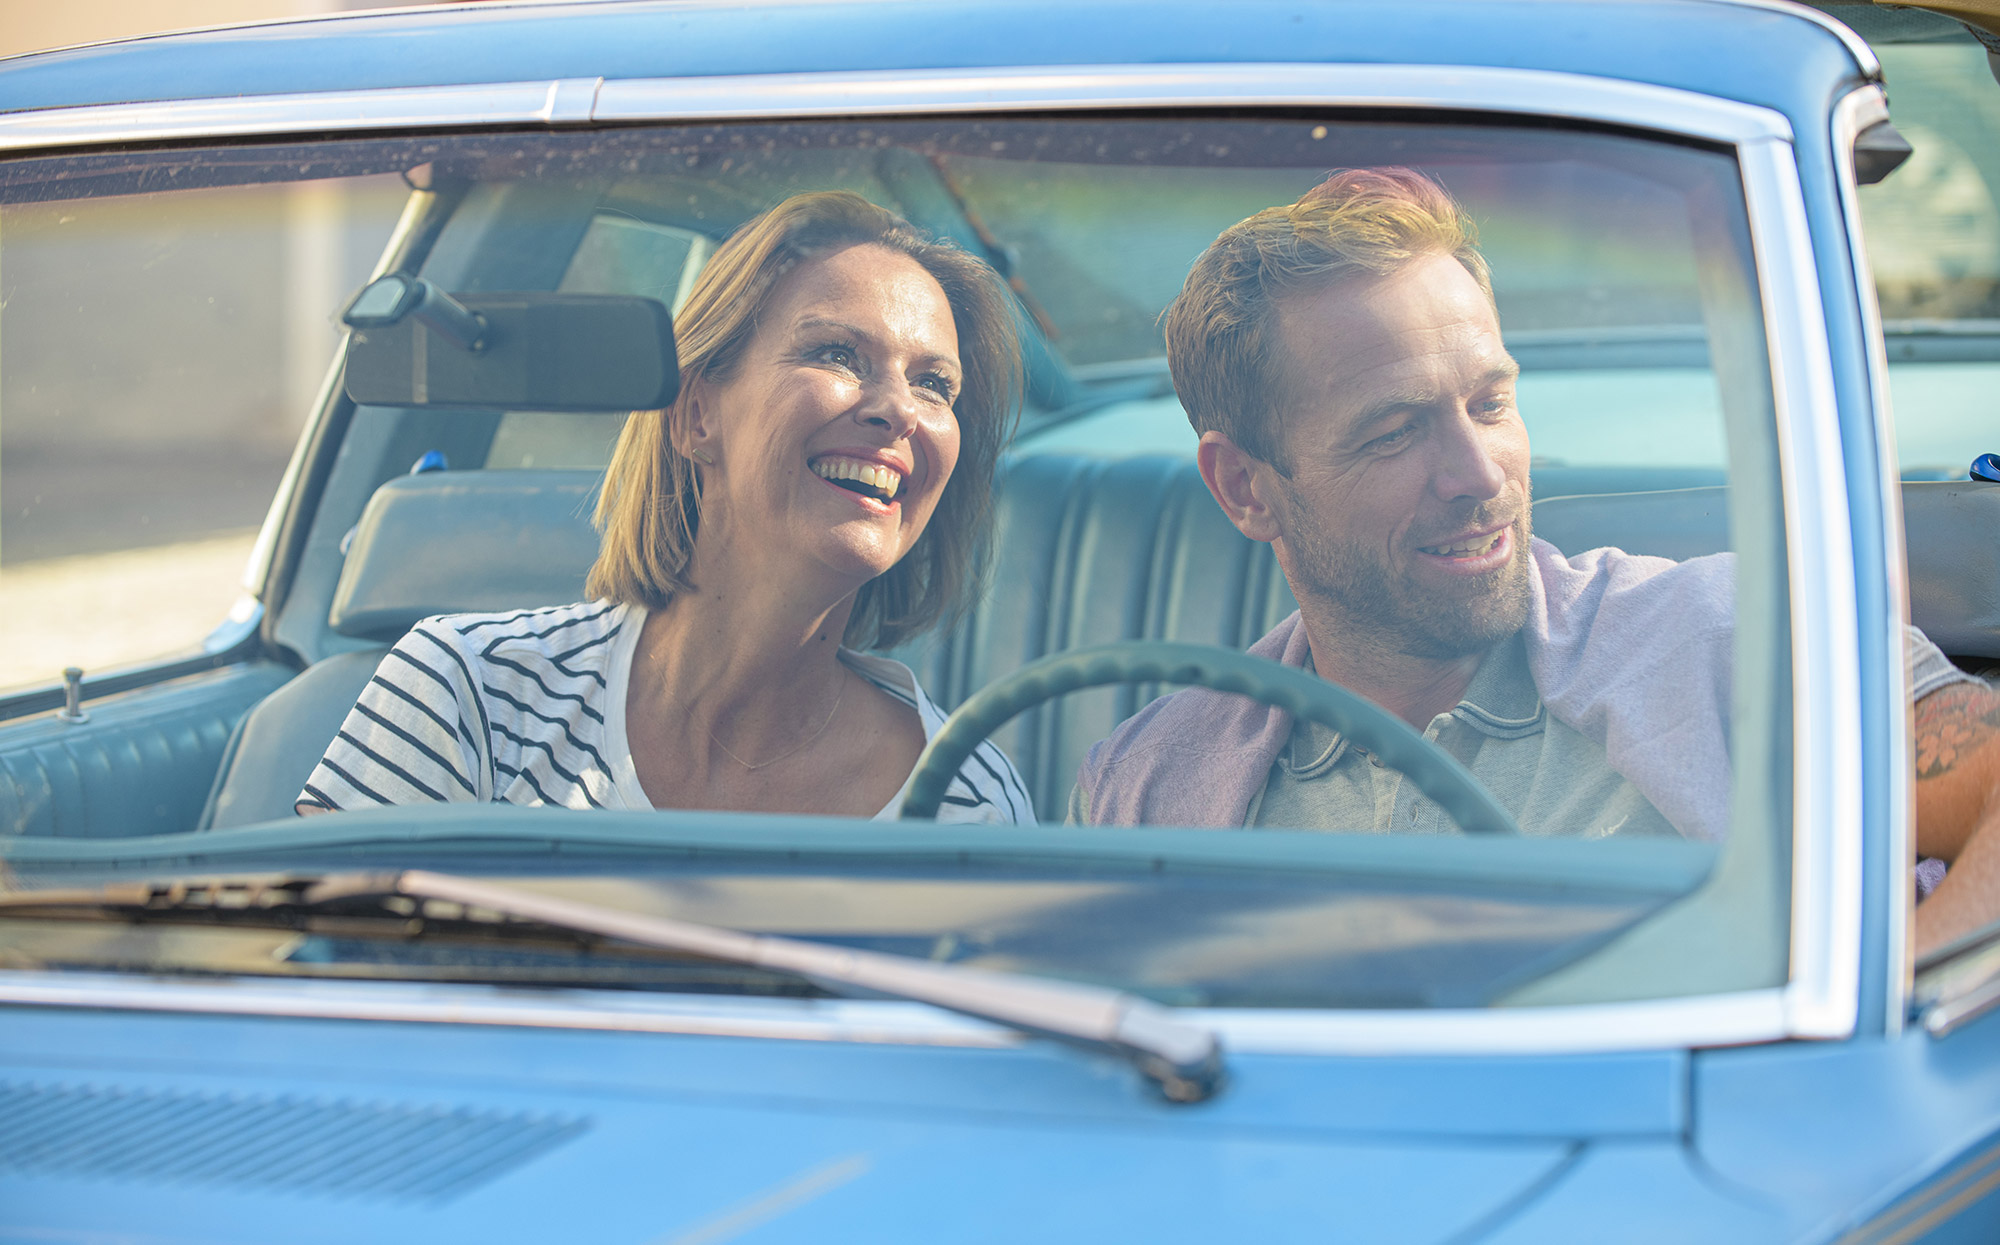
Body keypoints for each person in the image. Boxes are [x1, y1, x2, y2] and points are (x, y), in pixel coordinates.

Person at [1071, 167, 2000, 954]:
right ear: (1245, 487)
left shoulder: (1731, 644)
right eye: (1393, 433)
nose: (1480, 476)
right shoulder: (1150, 780)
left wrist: (1867, 1035)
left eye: (1489, 403)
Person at [299, 191, 1034, 824]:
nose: (900, 411)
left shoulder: (969, 801)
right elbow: (312, 975)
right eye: (839, 355)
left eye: (936, 384)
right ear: (694, 415)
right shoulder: (469, 693)